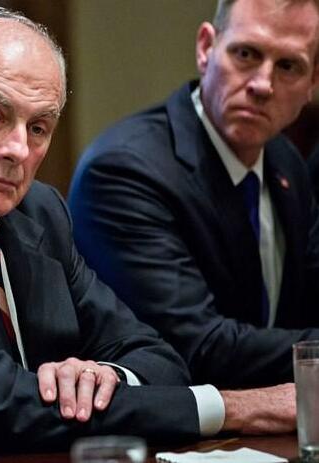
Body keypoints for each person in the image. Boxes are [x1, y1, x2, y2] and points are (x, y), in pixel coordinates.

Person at [0, 8, 295, 461]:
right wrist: (233, 408)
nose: (18, 150)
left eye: (38, 128)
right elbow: (1, 405)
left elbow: (156, 357)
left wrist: (104, 376)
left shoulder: (38, 210)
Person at [69, 0, 319, 388]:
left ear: (312, 83)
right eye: (246, 54)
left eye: (288, 66)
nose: (262, 85)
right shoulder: (124, 170)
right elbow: (197, 348)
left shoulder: (285, 162)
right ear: (206, 48)